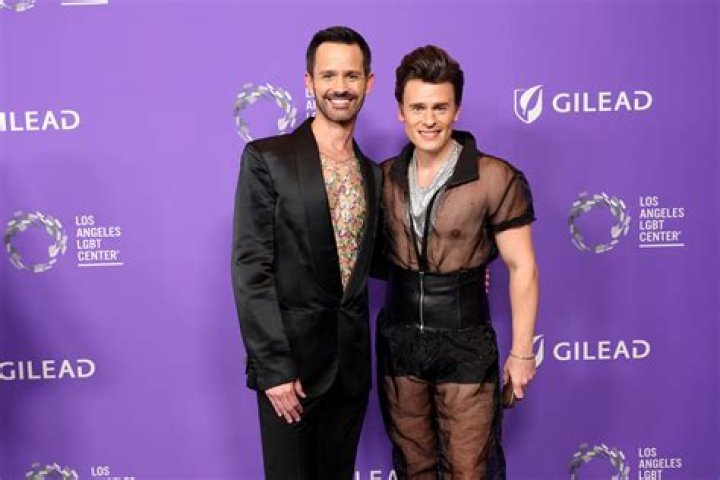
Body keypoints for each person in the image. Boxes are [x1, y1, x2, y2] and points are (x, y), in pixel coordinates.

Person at [376, 45, 539, 479]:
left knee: (470, 469)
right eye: (418, 108)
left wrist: (522, 353)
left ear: (457, 110)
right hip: (399, 342)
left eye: (440, 107)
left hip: (466, 342)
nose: (429, 120)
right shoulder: (383, 176)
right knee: (413, 467)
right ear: (400, 111)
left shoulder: (494, 177)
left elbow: (522, 267)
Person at [231, 26, 380, 480]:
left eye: (352, 76)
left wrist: (458, 273)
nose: (341, 87)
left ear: (368, 83)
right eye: (329, 75)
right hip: (291, 371)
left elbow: (371, 259)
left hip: (350, 369)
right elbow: (252, 268)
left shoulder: (373, 173)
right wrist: (273, 369)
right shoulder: (268, 158)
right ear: (309, 82)